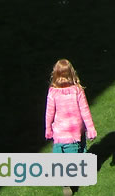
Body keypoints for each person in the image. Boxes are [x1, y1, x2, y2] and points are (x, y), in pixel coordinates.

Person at [45, 58, 96, 194]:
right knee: (74, 156)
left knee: (59, 157)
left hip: (59, 134)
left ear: (55, 74)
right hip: (74, 133)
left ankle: (65, 180)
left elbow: (49, 113)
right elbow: (85, 110)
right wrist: (90, 128)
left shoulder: (53, 92)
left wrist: (48, 128)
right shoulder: (77, 90)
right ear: (72, 73)